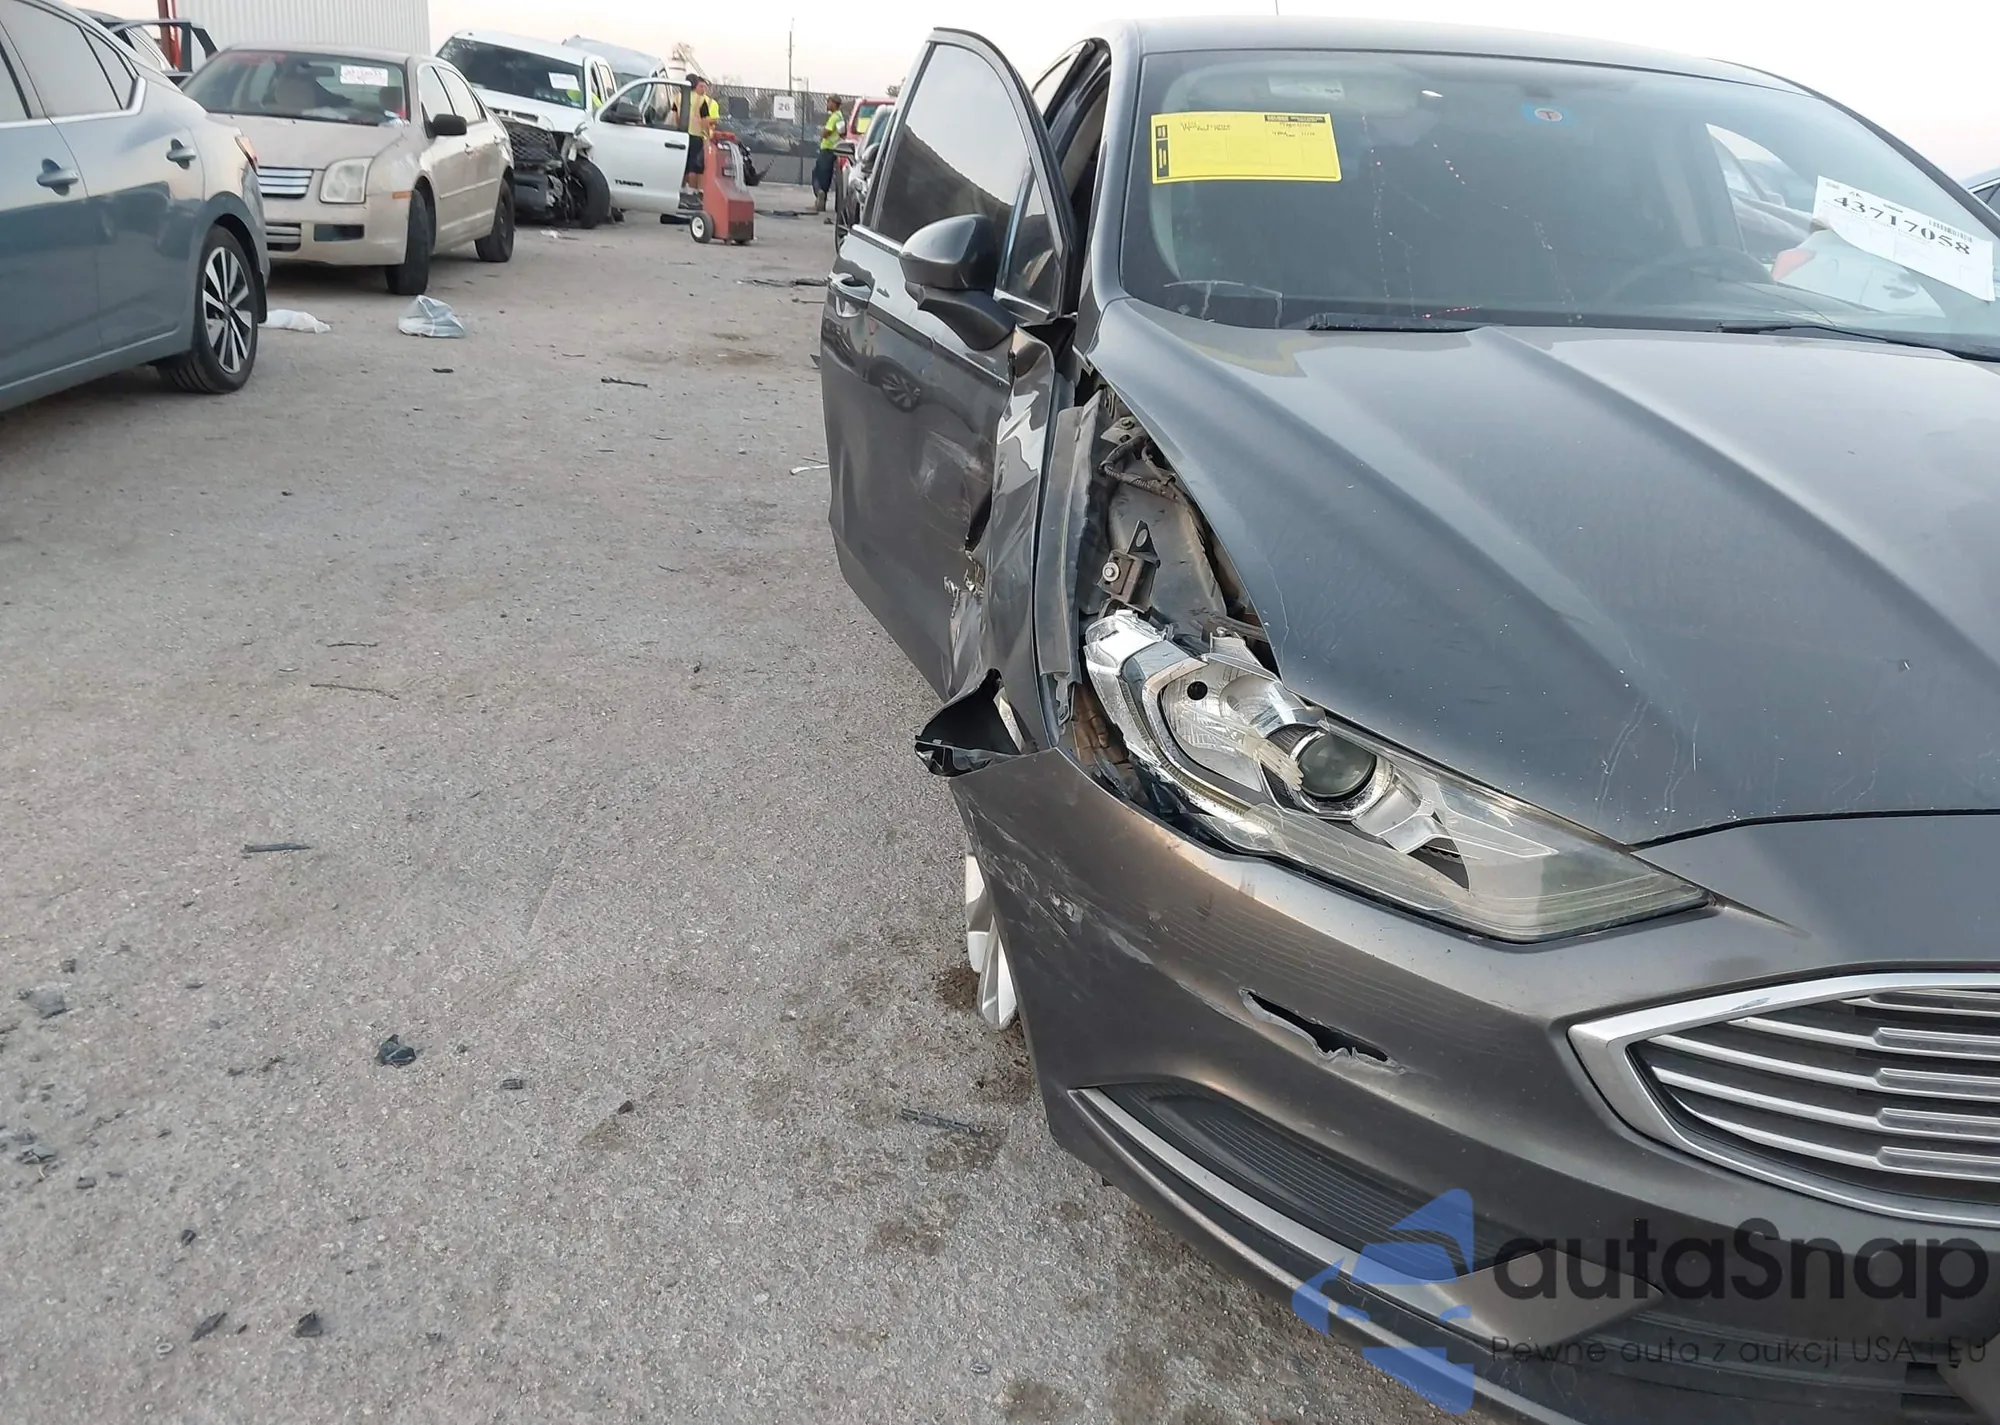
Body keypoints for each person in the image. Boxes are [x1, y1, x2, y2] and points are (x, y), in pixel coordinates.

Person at [683, 75, 719, 191]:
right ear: (695, 86)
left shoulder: (711, 103)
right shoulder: (697, 100)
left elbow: (714, 120)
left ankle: (694, 190)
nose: (703, 89)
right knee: (694, 166)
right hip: (695, 135)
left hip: (698, 135)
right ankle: (693, 190)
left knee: (695, 166)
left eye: (705, 86)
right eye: (701, 86)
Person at [813, 94, 844, 218]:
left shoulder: (834, 117)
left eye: (829, 102)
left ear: (834, 103)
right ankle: (822, 198)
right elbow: (842, 133)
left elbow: (827, 131)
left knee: (817, 174)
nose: (827, 104)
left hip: (827, 149)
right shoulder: (840, 116)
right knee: (827, 175)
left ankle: (819, 193)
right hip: (834, 150)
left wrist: (822, 135)